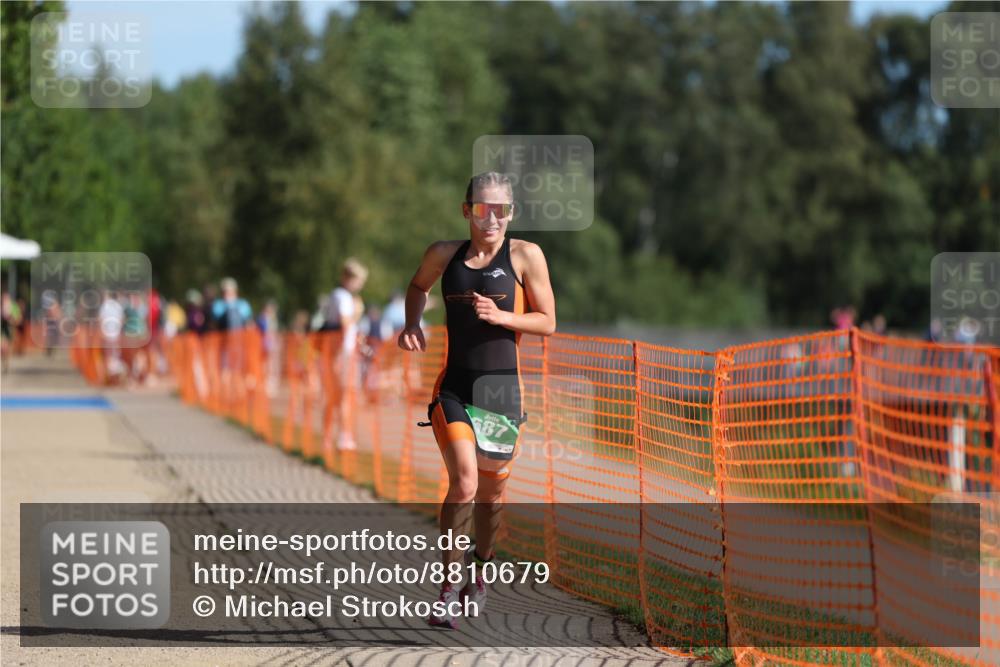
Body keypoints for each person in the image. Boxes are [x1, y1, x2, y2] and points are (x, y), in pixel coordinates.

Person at [398, 171, 556, 629]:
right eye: (482, 208)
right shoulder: (444, 255)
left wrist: (503, 315)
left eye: (501, 209)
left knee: (491, 497)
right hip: (455, 387)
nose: (492, 218)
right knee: (464, 483)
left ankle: (480, 574)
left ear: (511, 213)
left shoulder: (526, 255)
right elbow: (417, 287)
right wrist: (413, 324)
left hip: (502, 393)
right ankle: (448, 589)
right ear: (466, 210)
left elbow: (547, 321)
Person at [319, 258, 369, 452]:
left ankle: (333, 436)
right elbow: (345, 322)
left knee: (339, 396)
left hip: (340, 351)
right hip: (340, 353)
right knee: (342, 396)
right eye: (358, 280)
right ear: (349, 278)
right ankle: (341, 436)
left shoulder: (340, 296)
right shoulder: (343, 297)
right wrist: (358, 312)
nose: (360, 285)